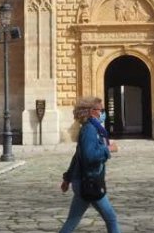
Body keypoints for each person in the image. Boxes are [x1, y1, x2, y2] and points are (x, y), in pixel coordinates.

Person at [59, 96, 120, 233]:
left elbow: (77, 157)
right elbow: (89, 156)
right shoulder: (90, 130)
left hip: (83, 181)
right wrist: (108, 149)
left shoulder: (91, 128)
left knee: (72, 220)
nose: (102, 113)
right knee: (111, 218)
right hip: (89, 182)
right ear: (92, 111)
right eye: (101, 110)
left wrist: (67, 178)